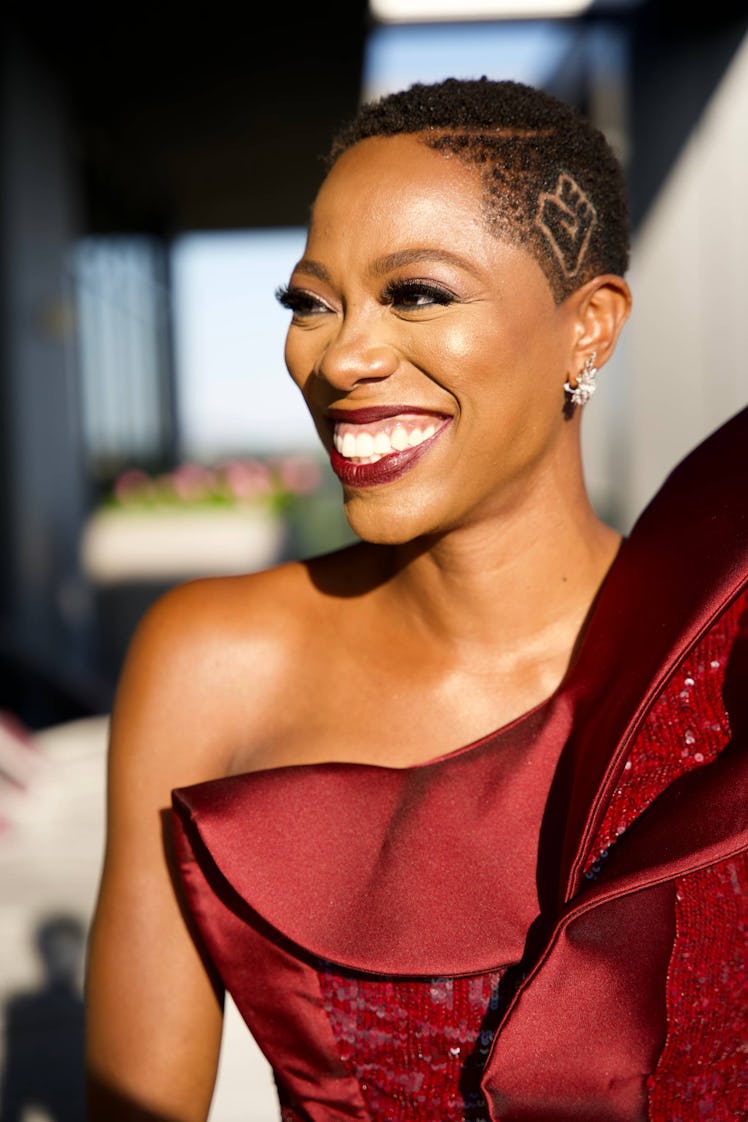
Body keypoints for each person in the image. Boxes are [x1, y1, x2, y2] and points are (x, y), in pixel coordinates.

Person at [84, 77, 748, 1122]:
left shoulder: (726, 657)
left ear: (590, 326)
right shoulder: (211, 661)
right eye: (311, 301)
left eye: (417, 293)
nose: (339, 356)